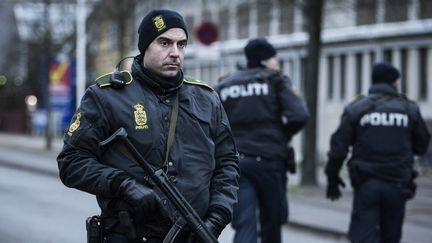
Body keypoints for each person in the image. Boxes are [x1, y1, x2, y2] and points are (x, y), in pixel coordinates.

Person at [57, 9, 240, 243]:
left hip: (195, 235)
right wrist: (121, 184)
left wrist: (218, 216)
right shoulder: (107, 97)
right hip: (130, 235)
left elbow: (227, 163)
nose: (175, 53)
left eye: (181, 45)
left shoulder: (206, 98)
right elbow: (71, 161)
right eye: (164, 43)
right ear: (145, 46)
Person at [215, 38, 309, 243]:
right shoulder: (275, 80)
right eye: (274, 58)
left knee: (244, 224)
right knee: (271, 222)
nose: (276, 62)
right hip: (270, 161)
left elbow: (213, 122)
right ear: (266, 60)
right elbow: (300, 115)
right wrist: (283, 135)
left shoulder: (225, 83)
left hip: (236, 163)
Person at [325, 62, 430, 243]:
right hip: (398, 183)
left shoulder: (356, 109)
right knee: (391, 236)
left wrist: (332, 177)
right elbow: (422, 145)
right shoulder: (409, 109)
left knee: (363, 236)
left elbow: (338, 148)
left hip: (366, 183)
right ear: (395, 82)